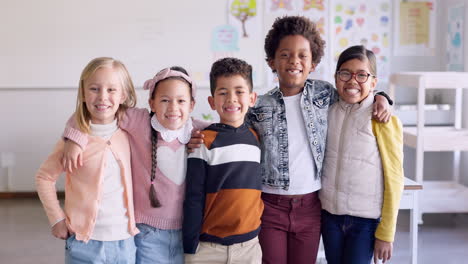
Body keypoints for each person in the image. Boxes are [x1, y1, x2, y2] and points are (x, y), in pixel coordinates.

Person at [188, 16, 392, 264]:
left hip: (311, 205)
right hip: (270, 206)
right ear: (272, 61)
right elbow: (232, 125)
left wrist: (382, 97)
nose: (294, 61)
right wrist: (197, 131)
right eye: (285, 55)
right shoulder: (259, 105)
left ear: (313, 62)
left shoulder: (325, 93)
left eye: (302, 55)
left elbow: (355, 92)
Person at [60, 66, 208, 264]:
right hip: (146, 232)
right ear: (152, 103)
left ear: (191, 105)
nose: (173, 108)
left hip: (188, 229)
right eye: (165, 100)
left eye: (181, 101)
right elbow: (99, 110)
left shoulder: (197, 130)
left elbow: (227, 130)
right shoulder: (140, 122)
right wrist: (75, 138)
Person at [36, 57, 139, 263]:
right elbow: (44, 178)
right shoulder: (74, 140)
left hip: (125, 242)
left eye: (111, 90)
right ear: (83, 93)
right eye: (94, 89)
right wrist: (57, 219)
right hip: (84, 242)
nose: (102, 97)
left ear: (123, 95)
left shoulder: (131, 132)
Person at [319, 45, 404, 264]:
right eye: (345, 73)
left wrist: (386, 233)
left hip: (365, 222)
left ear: (373, 82)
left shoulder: (383, 119)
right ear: (336, 77)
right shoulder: (327, 111)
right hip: (330, 216)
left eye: (362, 75)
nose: (352, 81)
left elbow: (394, 179)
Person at [183, 57, 263, 264]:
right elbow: (193, 197)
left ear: (252, 98)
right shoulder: (203, 141)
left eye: (239, 91)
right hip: (207, 249)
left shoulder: (258, 138)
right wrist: (190, 247)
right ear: (211, 102)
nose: (231, 99)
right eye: (223, 93)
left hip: (249, 247)